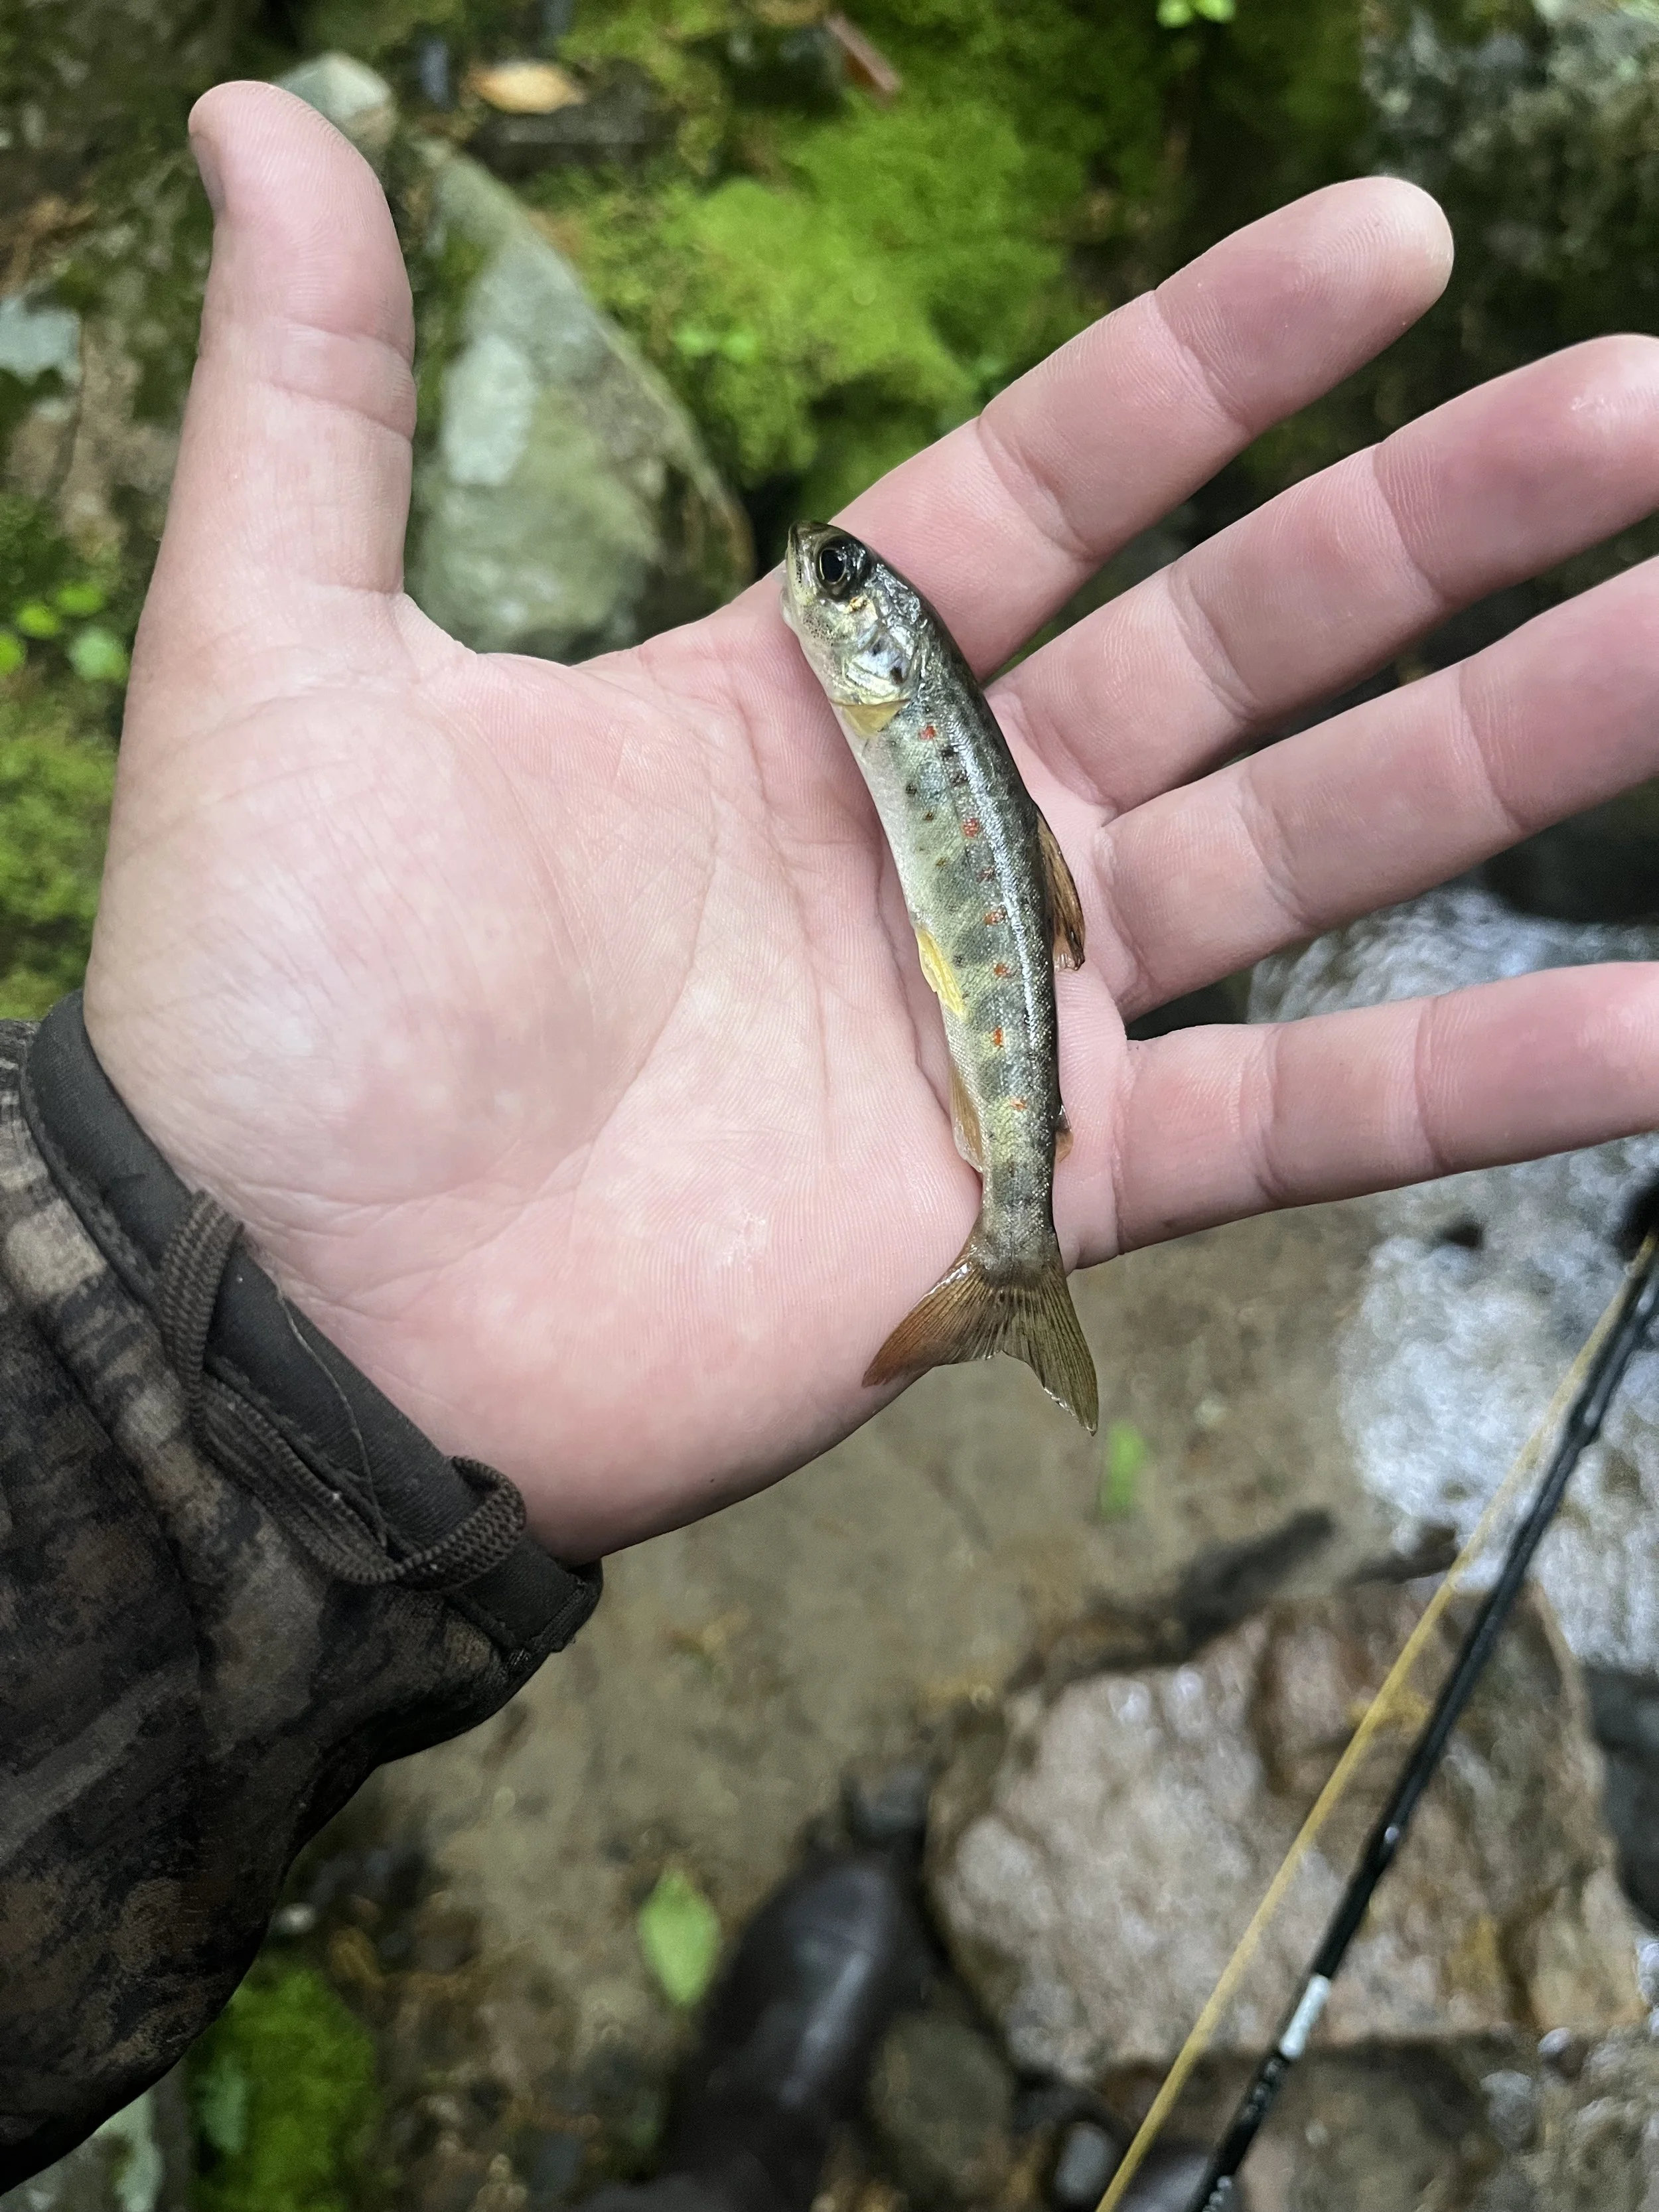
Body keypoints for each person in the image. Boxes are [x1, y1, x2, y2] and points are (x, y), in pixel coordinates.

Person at [4, 76, 1659, 2190]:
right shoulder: (862, 685)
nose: (830, 598)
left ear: (883, 651)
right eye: (851, 597)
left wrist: (156, 1372)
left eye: (850, 598)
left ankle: (744, 2131)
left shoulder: (899, 682)